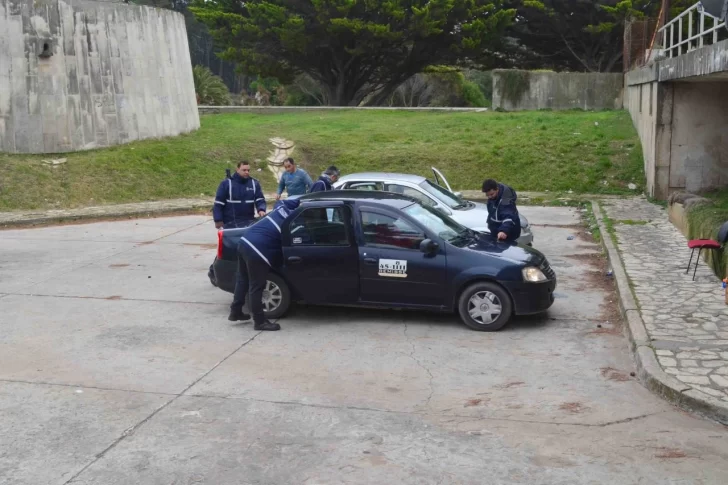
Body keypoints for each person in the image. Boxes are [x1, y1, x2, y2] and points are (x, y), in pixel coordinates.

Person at [228, 198, 302, 331]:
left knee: (243, 279)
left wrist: (300, 200)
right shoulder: (293, 222)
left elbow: (284, 201)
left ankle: (236, 311)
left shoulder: (281, 208)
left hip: (245, 241)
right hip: (258, 250)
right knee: (257, 286)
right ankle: (259, 321)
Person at [208, 161, 267, 285]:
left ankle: (243, 274)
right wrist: (218, 220)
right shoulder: (226, 184)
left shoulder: (254, 183)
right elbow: (218, 204)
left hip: (248, 223)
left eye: (248, 170)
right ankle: (214, 272)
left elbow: (260, 199)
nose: (247, 172)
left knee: (245, 250)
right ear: (237, 169)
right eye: (244, 170)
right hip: (230, 223)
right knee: (227, 250)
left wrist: (261, 209)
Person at [482, 178, 521, 243]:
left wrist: (504, 231)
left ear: (497, 189)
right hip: (496, 232)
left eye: (491, 194)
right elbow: (492, 212)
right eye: (487, 195)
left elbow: (509, 216)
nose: (489, 197)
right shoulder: (493, 197)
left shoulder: (506, 200)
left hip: (507, 234)